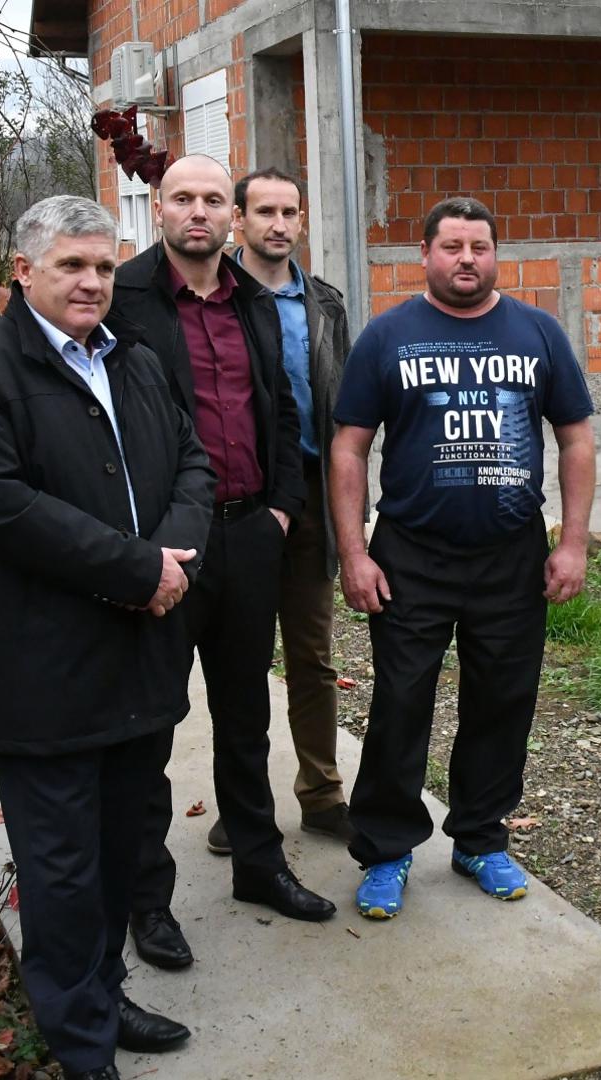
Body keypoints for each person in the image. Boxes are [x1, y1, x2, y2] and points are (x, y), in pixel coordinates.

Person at [0, 195, 214, 1080]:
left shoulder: (136, 360)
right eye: (72, 266)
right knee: (61, 869)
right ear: (23, 271)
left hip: (140, 655)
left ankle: (104, 994)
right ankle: (81, 1046)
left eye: (103, 266)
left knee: (123, 847)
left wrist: (174, 561)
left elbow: (194, 462)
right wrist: (139, 570)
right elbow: (1, 508)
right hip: (44, 668)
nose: (93, 282)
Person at [330, 196, 597, 920]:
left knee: (502, 702)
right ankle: (386, 849)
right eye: (451, 246)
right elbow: (349, 447)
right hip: (410, 556)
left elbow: (575, 437)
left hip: (511, 558)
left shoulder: (538, 333)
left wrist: (572, 542)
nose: (467, 259)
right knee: (400, 702)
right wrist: (354, 552)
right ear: (424, 254)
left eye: (479, 246)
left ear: (495, 255)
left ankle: (480, 837)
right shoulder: (388, 336)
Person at [112, 155, 335, 976]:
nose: (199, 212)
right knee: (151, 723)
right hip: (166, 546)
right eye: (184, 199)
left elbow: (281, 410)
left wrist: (281, 509)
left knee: (246, 713)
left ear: (227, 216)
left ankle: (258, 864)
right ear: (159, 208)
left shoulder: (253, 301)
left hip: (249, 535)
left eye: (212, 198)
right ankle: (147, 900)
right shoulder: (124, 299)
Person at [192, 166, 354, 851]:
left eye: (290, 212)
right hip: (241, 498)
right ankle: (245, 805)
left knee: (312, 655)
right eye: (265, 211)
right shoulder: (217, 297)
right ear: (239, 219)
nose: (279, 224)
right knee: (241, 661)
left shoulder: (325, 304)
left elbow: (345, 413)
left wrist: (350, 509)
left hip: (310, 496)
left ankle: (322, 793)